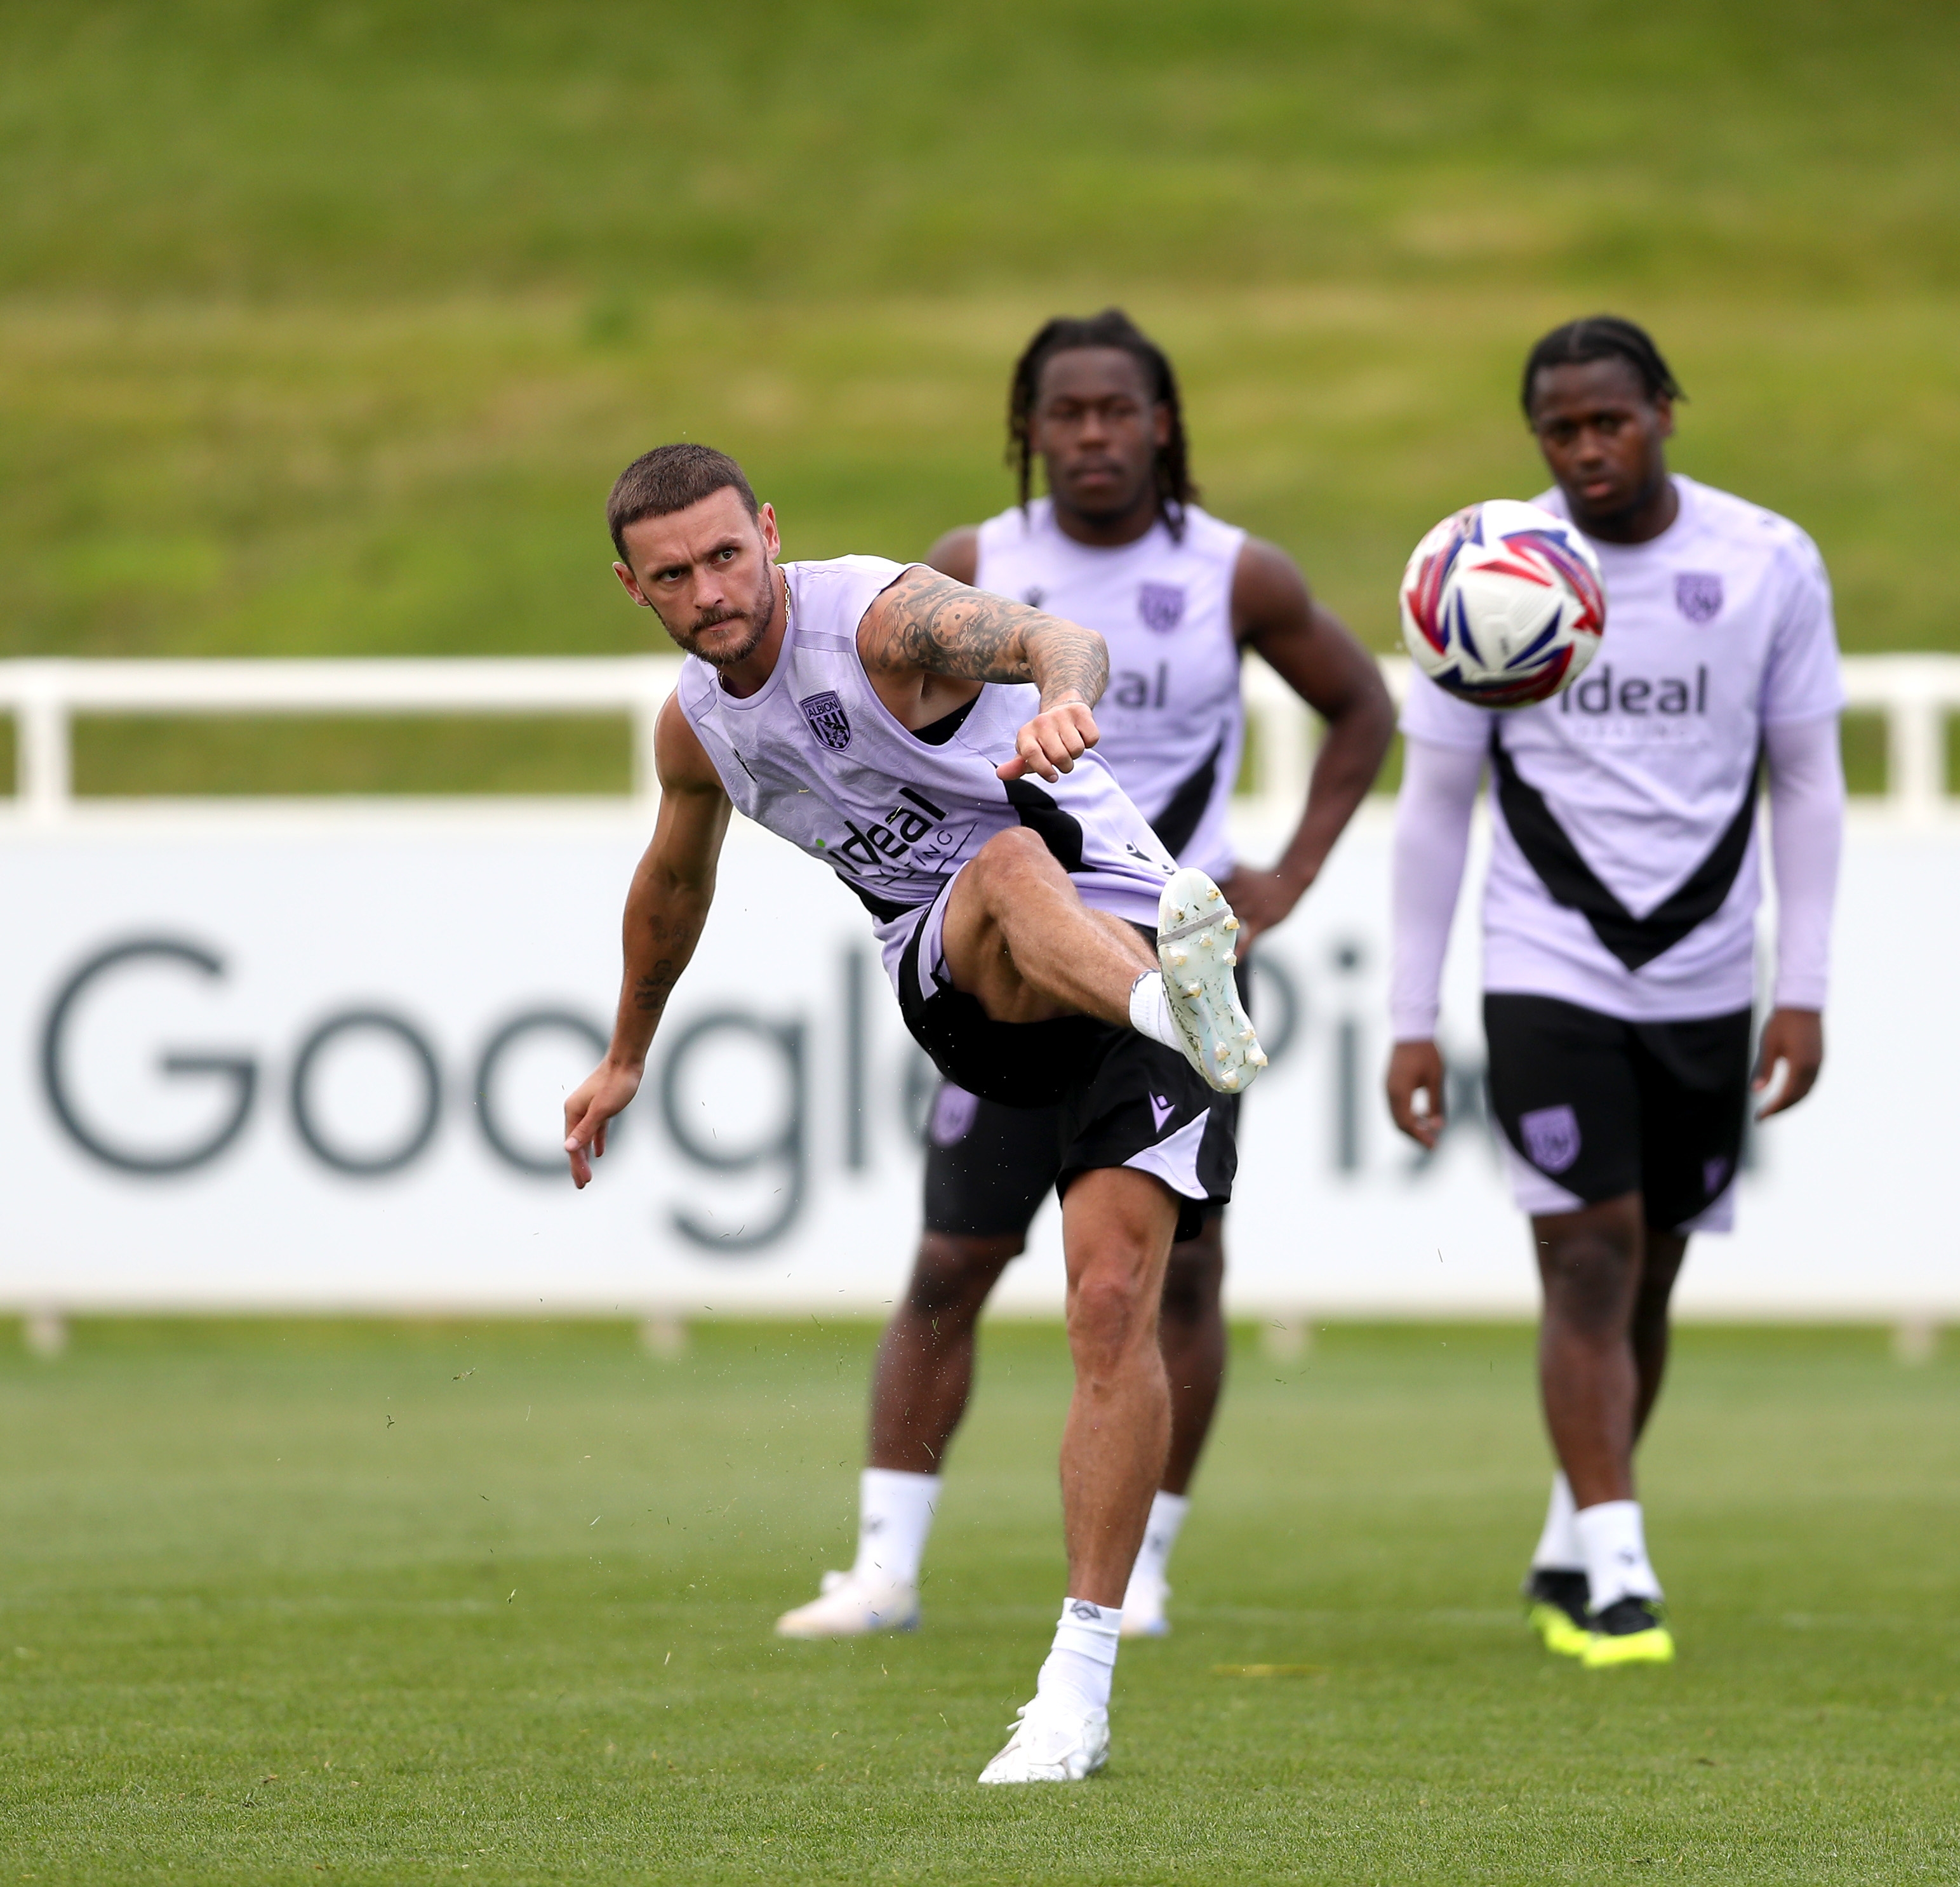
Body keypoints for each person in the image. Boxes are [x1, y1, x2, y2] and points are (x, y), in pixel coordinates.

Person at [564, 442, 1268, 1784]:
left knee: (1111, 1308)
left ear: (769, 530)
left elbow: (1058, 637)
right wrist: (625, 1054)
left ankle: (1076, 1693)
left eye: (727, 553)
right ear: (632, 586)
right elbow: (672, 883)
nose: (712, 589)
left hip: (1119, 927)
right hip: (973, 989)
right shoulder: (696, 727)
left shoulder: (887, 622)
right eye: (675, 575)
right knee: (999, 865)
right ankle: (1179, 1013)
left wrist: (1061, 702)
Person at [775, 310, 1393, 1646]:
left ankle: (1146, 1559)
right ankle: (884, 1566)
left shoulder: (1240, 576)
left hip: (1173, 955)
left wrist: (1283, 878)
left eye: (1120, 410)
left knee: (1176, 1282)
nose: (1096, 434)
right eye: (1068, 413)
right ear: (1029, 430)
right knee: (954, 1256)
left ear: (1163, 422)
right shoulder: (969, 570)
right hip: (1017, 969)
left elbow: (1365, 708)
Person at [1385, 317, 1845, 1668]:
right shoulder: (1483, 571)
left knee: (1650, 1274)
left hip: (1707, 968)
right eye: (1560, 429)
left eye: (1611, 421)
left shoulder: (1767, 561)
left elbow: (1807, 780)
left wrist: (1801, 986)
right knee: (1586, 1254)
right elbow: (1436, 802)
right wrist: (1411, 1014)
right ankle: (1626, 1571)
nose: (1588, 449)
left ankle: (1569, 1537)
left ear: (1665, 411)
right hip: (1547, 961)